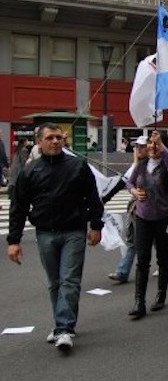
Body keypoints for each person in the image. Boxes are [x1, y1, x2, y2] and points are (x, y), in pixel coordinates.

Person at [7, 123, 103, 351]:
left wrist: (96, 226)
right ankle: (63, 323)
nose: (55, 141)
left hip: (74, 232)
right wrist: (13, 241)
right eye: (50, 137)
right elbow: (18, 207)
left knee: (69, 280)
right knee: (55, 283)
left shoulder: (78, 166)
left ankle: (63, 329)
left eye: (59, 137)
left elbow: (93, 198)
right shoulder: (30, 171)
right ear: (39, 142)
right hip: (45, 233)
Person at [126, 131, 168, 319]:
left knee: (163, 258)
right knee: (142, 260)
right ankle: (139, 302)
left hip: (163, 219)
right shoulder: (140, 166)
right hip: (142, 217)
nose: (151, 146)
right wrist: (134, 193)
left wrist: (164, 149)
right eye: (149, 143)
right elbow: (129, 182)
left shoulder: (167, 166)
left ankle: (161, 295)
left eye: (155, 143)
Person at [108, 136, 149, 283]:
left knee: (152, 240)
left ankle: (163, 264)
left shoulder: (153, 165)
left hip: (150, 208)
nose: (138, 149)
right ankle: (123, 271)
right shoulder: (135, 166)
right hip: (135, 207)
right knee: (132, 240)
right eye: (136, 147)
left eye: (142, 146)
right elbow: (125, 183)